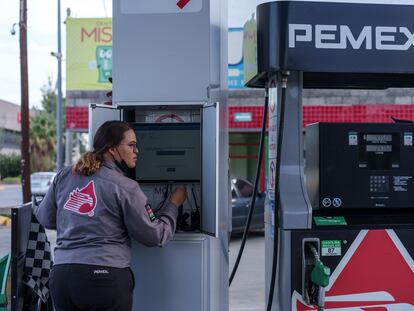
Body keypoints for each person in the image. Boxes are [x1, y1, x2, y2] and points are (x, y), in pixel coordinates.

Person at [35, 120, 187, 311]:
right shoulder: (125, 186)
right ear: (112, 149)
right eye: (131, 145)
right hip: (104, 279)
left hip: (62, 277)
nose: (136, 150)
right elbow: (155, 235)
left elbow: (46, 218)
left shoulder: (64, 176)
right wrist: (173, 204)